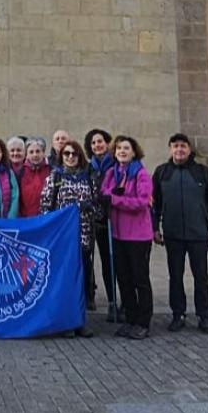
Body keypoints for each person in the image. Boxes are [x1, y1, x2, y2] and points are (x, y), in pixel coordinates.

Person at [152, 133, 208, 334]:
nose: (179, 150)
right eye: (175, 146)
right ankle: (178, 314)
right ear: (170, 149)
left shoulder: (202, 172)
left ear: (189, 149)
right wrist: (154, 228)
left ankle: (204, 316)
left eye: (183, 146)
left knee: (200, 276)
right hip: (173, 234)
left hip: (198, 234)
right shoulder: (161, 173)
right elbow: (154, 204)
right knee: (175, 276)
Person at [41, 139, 97, 335]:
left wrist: (89, 208)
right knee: (62, 279)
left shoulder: (88, 177)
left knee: (80, 279)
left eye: (74, 154)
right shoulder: (55, 177)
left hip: (83, 235)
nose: (71, 157)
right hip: (62, 238)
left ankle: (79, 321)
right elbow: (46, 207)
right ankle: (63, 320)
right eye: (67, 154)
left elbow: (97, 205)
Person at [101, 136, 154, 340]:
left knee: (140, 278)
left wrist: (115, 200)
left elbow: (141, 202)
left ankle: (143, 321)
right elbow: (103, 191)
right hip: (118, 233)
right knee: (124, 278)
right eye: (118, 148)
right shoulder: (112, 173)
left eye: (126, 148)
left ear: (134, 152)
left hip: (138, 235)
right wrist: (112, 198)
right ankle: (130, 318)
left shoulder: (141, 174)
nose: (122, 151)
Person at [84, 128, 118, 319]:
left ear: (107, 143)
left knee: (108, 261)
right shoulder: (88, 167)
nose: (97, 145)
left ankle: (113, 300)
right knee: (87, 259)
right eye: (94, 143)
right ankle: (89, 294)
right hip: (91, 218)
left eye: (100, 141)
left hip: (109, 219)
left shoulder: (114, 165)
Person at [19, 136, 51, 217]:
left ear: (43, 153)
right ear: (26, 155)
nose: (35, 155)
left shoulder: (51, 171)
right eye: (31, 152)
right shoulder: (20, 172)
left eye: (38, 151)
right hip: (26, 219)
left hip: (47, 218)